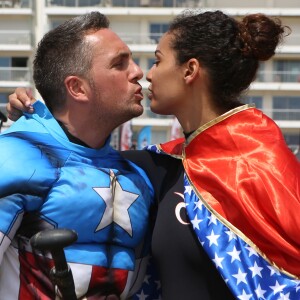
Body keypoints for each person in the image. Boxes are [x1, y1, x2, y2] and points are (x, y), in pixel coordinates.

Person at [7, 10, 300, 300]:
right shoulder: (153, 166)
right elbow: (79, 149)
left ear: (190, 71)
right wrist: (37, 122)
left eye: (157, 61)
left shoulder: (264, 164)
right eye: (120, 64)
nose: (143, 73)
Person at [0, 12, 155, 299]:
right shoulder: (15, 157)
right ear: (77, 88)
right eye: (119, 64)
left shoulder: (141, 178)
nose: (137, 72)